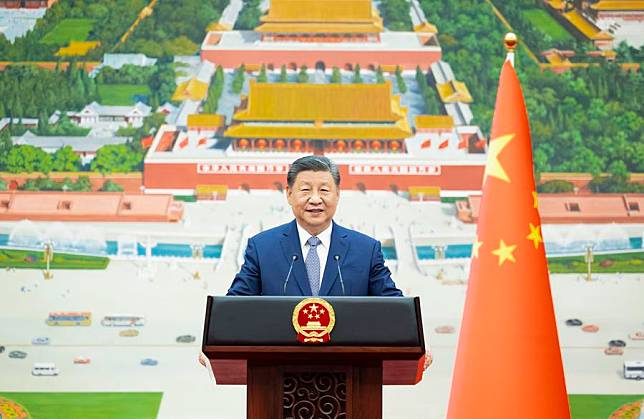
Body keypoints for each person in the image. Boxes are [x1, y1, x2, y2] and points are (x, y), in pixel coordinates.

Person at [227, 155, 403, 297]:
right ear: (289, 194)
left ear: (337, 195)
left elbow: (395, 310)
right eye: (305, 190)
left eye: (324, 190)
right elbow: (233, 309)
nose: (315, 199)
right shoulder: (262, 248)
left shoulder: (366, 250)